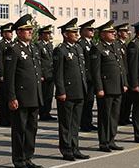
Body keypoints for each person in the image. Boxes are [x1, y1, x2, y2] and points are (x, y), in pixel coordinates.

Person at [4, 14, 44, 168]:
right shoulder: (13, 50)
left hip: (33, 95)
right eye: (26, 30)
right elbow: (10, 76)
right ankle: (19, 159)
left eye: (30, 29)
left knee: (31, 129)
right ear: (19, 32)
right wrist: (12, 97)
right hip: (20, 97)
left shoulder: (33, 48)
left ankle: (28, 157)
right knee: (19, 130)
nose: (30, 32)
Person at [53, 18, 89, 160]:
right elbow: (58, 73)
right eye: (73, 32)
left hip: (79, 90)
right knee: (66, 123)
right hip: (67, 92)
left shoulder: (78, 48)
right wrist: (61, 91)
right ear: (65, 34)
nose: (76, 34)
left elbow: (82, 71)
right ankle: (66, 149)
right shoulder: (60, 50)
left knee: (75, 123)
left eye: (76, 32)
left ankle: (75, 147)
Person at [90, 20, 127, 151]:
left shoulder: (115, 46)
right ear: (102, 34)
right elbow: (96, 71)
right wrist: (99, 88)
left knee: (114, 115)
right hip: (106, 88)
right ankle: (103, 142)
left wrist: (124, 83)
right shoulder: (98, 48)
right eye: (110, 32)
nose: (114, 34)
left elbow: (121, 67)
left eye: (113, 32)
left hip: (117, 87)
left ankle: (111, 139)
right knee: (105, 116)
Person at [78, 19, 98, 132]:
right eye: (89, 29)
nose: (92, 31)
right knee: (85, 102)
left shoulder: (92, 43)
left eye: (92, 29)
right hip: (85, 77)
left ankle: (88, 122)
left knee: (90, 102)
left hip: (91, 77)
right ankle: (84, 123)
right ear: (83, 31)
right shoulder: (81, 44)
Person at [0, 23, 14, 127]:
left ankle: (10, 118)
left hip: (11, 74)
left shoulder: (13, 44)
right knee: (3, 98)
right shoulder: (0, 44)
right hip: (4, 75)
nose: (11, 34)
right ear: (4, 33)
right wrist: (1, 74)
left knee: (10, 97)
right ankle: (3, 119)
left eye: (11, 32)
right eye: (9, 32)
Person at [37, 25, 57, 121]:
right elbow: (38, 61)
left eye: (49, 33)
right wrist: (40, 74)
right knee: (43, 95)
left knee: (49, 95)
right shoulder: (38, 45)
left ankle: (47, 112)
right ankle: (42, 113)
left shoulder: (49, 45)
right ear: (41, 35)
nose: (49, 35)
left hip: (50, 74)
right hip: (43, 75)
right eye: (47, 33)